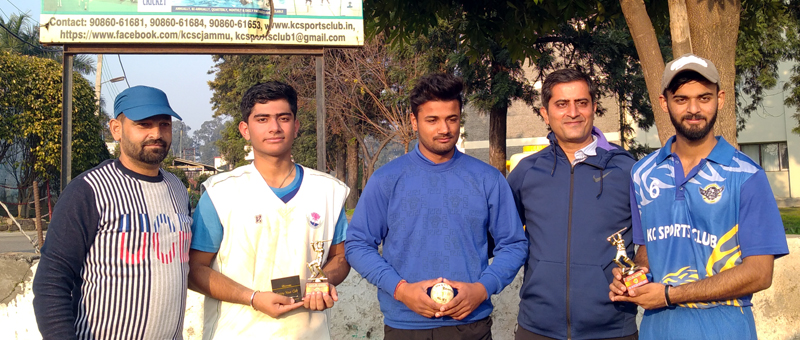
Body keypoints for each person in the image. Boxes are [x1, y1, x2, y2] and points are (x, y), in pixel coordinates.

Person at [610, 54, 790, 339]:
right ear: (663, 102)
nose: (693, 109)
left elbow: (759, 273)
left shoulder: (746, 175)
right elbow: (647, 249)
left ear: (719, 99)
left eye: (703, 98)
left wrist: (670, 295)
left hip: (725, 327)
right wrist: (632, 276)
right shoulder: (642, 173)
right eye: (681, 99)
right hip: (658, 329)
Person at [345, 73, 528, 340]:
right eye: (432, 120)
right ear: (414, 121)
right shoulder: (386, 179)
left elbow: (513, 244)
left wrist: (482, 289)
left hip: (470, 325)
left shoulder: (488, 179)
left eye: (451, 119)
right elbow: (358, 244)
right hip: (404, 326)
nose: (444, 128)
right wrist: (400, 290)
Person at [188, 81, 350, 340]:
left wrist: (324, 281)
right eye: (262, 119)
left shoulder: (328, 190)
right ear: (245, 129)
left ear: (295, 126)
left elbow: (340, 258)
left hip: (309, 333)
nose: (274, 128)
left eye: (283, 118)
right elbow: (195, 270)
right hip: (237, 333)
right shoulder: (220, 193)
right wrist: (252, 298)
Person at [32, 86, 192, 339]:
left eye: (164, 124)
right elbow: (52, 280)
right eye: (143, 124)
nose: (157, 133)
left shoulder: (177, 189)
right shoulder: (89, 190)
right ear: (116, 129)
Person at [506, 69, 638, 340]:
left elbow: (651, 240)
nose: (573, 112)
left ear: (594, 108)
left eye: (582, 102)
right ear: (545, 113)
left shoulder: (627, 169)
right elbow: (499, 237)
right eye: (562, 104)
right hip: (537, 327)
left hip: (612, 328)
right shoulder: (526, 172)